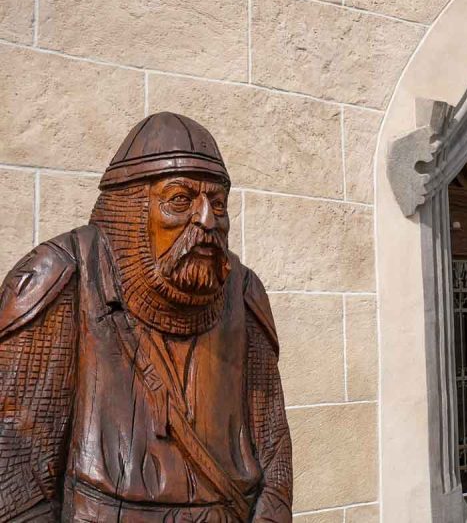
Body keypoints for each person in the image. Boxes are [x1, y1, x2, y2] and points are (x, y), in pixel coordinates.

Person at [0, 112, 292, 522]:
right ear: (132, 210)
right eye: (180, 201)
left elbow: (274, 453)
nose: (208, 221)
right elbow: (15, 466)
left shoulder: (243, 294)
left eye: (218, 204)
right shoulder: (67, 276)